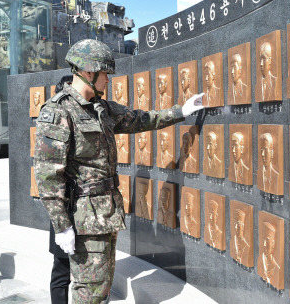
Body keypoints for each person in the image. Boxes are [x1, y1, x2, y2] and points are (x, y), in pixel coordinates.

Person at [34, 39, 204, 304]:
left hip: (106, 215)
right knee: (88, 293)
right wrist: (61, 225)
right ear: (88, 72)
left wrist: (181, 111)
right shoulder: (58, 112)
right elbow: (47, 175)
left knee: (101, 289)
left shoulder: (102, 108)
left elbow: (141, 119)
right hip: (83, 221)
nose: (108, 80)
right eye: (105, 74)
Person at [257, 222, 280, 286]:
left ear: (273, 243)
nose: (264, 245)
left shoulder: (276, 267)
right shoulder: (260, 260)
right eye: (263, 239)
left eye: (267, 241)